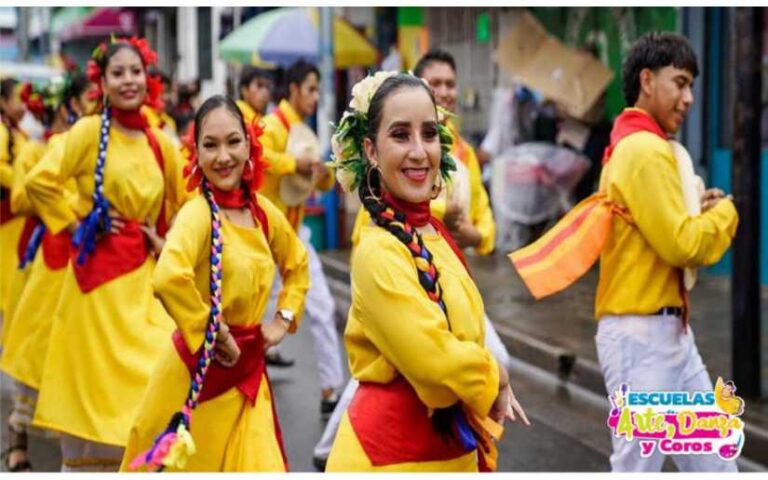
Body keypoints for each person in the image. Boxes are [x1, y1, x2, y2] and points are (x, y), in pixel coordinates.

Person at [510, 33, 738, 472]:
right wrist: (727, 213)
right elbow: (684, 244)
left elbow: (662, 229)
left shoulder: (633, 144)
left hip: (663, 334)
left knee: (712, 465)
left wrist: (699, 209)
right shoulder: (645, 150)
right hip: (643, 337)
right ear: (648, 81)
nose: (689, 98)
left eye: (692, 86)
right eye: (681, 82)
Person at [316, 50, 514, 470]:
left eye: (428, 133)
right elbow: (434, 367)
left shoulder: (434, 233)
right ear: (370, 150)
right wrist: (493, 374)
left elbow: (462, 336)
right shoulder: (377, 250)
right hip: (390, 459)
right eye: (401, 135)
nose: (420, 151)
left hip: (442, 449)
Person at [24, 36, 189, 471]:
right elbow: (40, 182)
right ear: (103, 81)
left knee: (158, 367)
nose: (129, 80)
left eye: (135, 71)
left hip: (145, 283)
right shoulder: (87, 132)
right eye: (118, 73)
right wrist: (79, 224)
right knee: (95, 397)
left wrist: (165, 239)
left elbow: (185, 204)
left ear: (147, 77)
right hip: (96, 289)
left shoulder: (161, 142)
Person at [122, 95, 310, 472]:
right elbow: (168, 276)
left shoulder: (262, 213)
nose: (223, 156)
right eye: (210, 145)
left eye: (233, 142)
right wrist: (214, 331)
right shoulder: (197, 215)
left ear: (250, 145)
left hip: (249, 377)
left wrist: (282, 319)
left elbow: (297, 264)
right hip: (196, 371)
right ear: (196, 154)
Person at [0, 72, 93, 472]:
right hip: (48, 256)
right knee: (34, 352)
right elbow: (22, 197)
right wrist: (67, 212)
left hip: (86, 263)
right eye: (91, 98)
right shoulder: (38, 150)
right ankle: (17, 444)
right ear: (69, 105)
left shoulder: (101, 144)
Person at [259, 59, 344, 415]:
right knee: (254, 320)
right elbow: (258, 157)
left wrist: (323, 175)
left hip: (295, 237)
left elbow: (317, 183)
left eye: (316, 90)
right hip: (264, 240)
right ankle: (245, 386)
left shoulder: (304, 131)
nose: (314, 97)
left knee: (323, 309)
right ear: (293, 90)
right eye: (310, 89)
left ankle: (331, 390)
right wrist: (296, 164)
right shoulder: (271, 126)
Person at [0, 77, 28, 335]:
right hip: (6, 217)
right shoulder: (2, 131)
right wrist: (24, 181)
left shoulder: (16, 130)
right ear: (3, 102)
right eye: (18, 98)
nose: (24, 104)